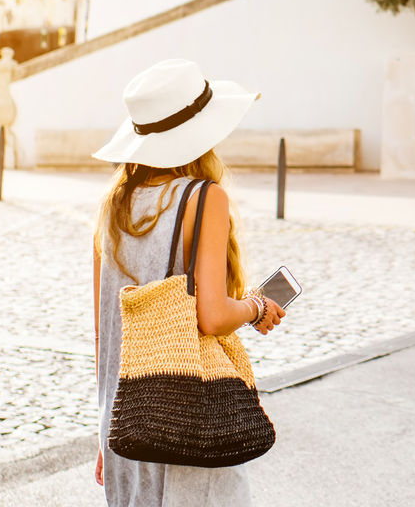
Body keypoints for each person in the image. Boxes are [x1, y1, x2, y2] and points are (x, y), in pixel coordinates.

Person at [91, 59, 286, 505]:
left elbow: (106, 333)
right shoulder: (204, 198)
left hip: (128, 421)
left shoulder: (113, 207)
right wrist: (256, 306)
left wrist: (103, 432)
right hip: (188, 414)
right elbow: (213, 315)